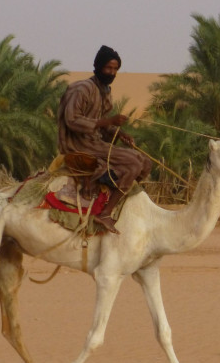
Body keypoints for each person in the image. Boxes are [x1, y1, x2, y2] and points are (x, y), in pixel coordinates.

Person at [57, 45, 152, 233]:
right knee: (133, 164)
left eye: (115, 69)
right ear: (99, 66)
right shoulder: (82, 89)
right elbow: (72, 120)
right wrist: (108, 121)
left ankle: (109, 199)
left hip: (95, 141)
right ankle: (105, 214)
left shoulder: (104, 91)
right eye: (109, 68)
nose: (112, 72)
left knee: (146, 163)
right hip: (78, 142)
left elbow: (104, 124)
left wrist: (119, 132)